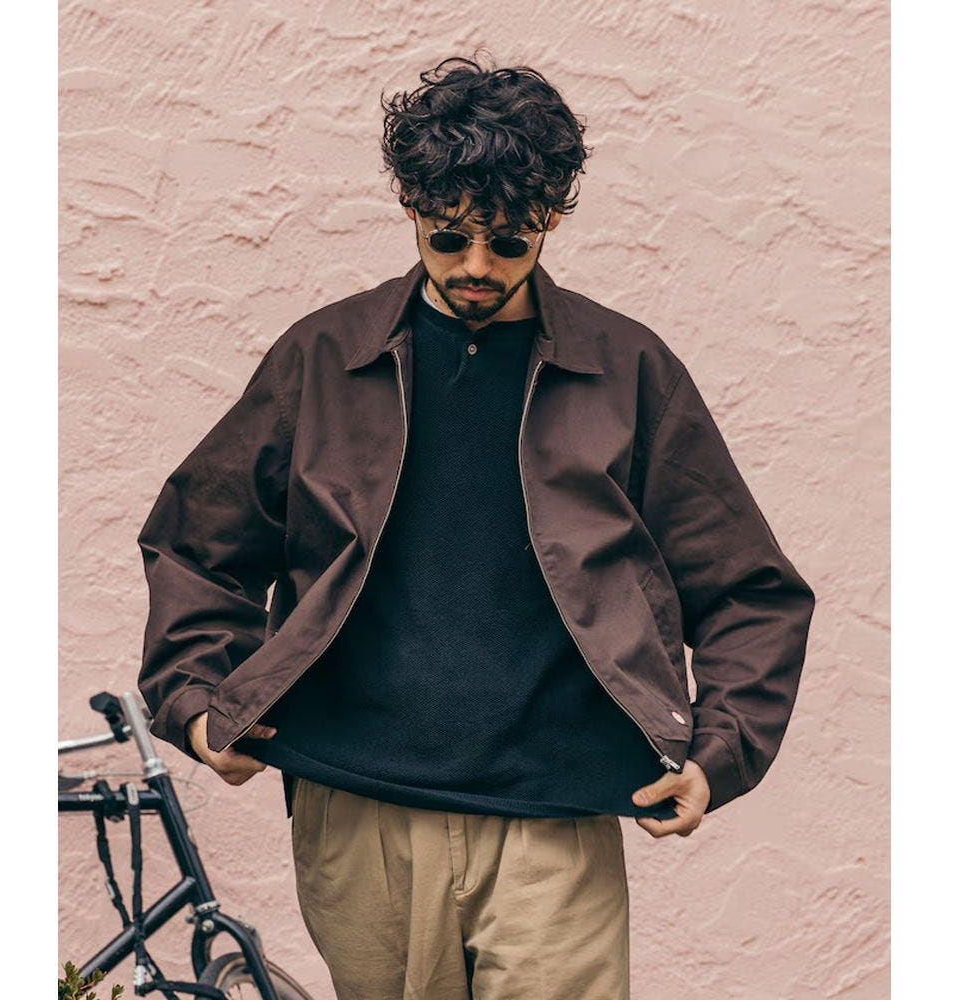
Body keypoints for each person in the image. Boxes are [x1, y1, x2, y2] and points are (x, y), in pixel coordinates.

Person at [138, 56, 814, 1000]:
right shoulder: (323, 358)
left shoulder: (627, 370)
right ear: (410, 207)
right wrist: (195, 702)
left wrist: (718, 751)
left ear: (553, 220)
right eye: (449, 236)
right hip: (356, 811)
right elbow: (197, 543)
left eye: (510, 241)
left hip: (555, 820)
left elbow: (749, 590)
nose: (476, 268)